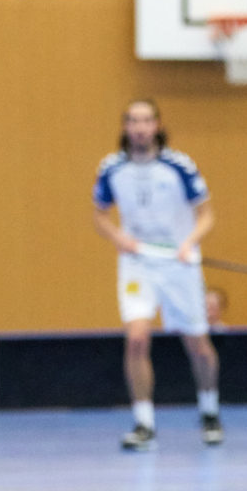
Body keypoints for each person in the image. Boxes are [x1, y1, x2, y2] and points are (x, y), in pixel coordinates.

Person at [92, 98, 223, 450]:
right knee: (136, 339)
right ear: (124, 126)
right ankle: (144, 423)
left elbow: (206, 215)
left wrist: (188, 243)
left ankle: (209, 411)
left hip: (178, 262)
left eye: (146, 120)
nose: (139, 127)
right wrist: (119, 237)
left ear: (158, 125)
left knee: (197, 344)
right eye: (133, 120)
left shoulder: (179, 166)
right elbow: (100, 214)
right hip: (137, 263)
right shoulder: (111, 168)